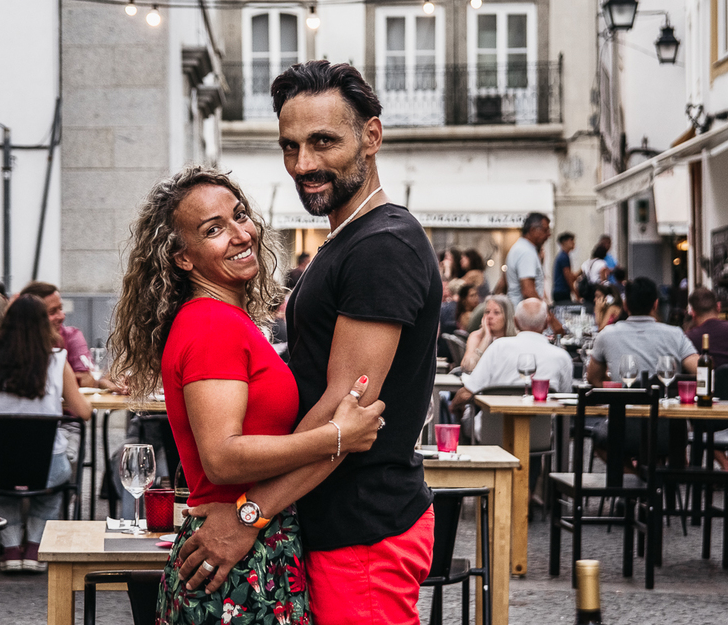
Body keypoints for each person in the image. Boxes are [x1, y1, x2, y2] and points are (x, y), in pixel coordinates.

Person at [174, 61, 440, 623]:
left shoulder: (381, 246)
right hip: (334, 520)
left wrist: (249, 515)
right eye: (290, 146)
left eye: (323, 142)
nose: (304, 164)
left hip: (362, 525)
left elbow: (344, 412)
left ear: (372, 135)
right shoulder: (348, 239)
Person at [110, 166, 384, 623]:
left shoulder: (223, 318)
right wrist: (338, 436)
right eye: (214, 230)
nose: (241, 234)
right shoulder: (211, 324)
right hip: (235, 556)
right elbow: (222, 456)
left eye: (240, 216)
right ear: (182, 257)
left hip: (245, 542)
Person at [0, 294, 92, 573]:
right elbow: (83, 412)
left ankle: (8, 550)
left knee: (4, 489)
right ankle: (34, 548)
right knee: (53, 485)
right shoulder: (57, 361)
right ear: (43, 326)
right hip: (47, 469)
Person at [450, 299, 573, 442]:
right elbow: (566, 404)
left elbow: (466, 395)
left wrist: (452, 407)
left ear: (515, 322)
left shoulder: (499, 347)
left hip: (492, 434)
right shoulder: (562, 357)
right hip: (540, 437)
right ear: (547, 323)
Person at [588, 277, 697, 386]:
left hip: (624, 401)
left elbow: (593, 378)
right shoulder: (676, 334)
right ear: (656, 305)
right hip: (663, 401)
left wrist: (617, 386)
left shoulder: (607, 334)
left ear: (625, 306)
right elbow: (700, 370)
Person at [17, 281, 120, 391]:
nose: (62, 316)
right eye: (52, 312)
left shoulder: (71, 335)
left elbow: (87, 380)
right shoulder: (14, 342)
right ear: (32, 317)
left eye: (61, 308)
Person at [462, 295, 516, 372]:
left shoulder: (516, 337)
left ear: (507, 317)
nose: (490, 316)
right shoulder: (476, 336)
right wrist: (486, 338)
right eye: (487, 312)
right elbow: (467, 368)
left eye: (496, 313)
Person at [505, 213, 550, 306]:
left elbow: (503, 283)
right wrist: (546, 313)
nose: (548, 235)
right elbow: (528, 292)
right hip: (525, 315)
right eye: (545, 230)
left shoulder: (519, 247)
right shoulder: (526, 252)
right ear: (533, 230)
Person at [552, 232, 580, 304]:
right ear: (564, 242)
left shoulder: (563, 256)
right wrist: (576, 293)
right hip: (562, 292)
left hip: (560, 291)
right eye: (571, 240)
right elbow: (568, 277)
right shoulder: (564, 257)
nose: (573, 242)